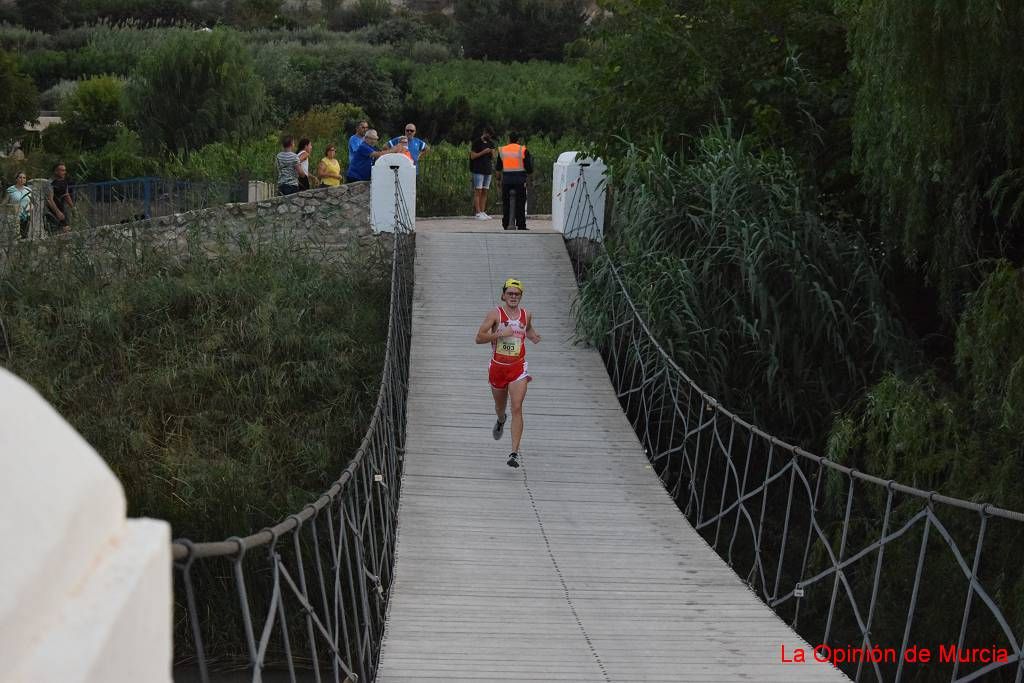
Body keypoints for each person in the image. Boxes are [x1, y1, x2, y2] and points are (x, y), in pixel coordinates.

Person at [474, 278, 541, 468]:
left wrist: (534, 337)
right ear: (503, 295)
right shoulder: (496, 314)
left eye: (517, 294)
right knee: (500, 407)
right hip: (497, 368)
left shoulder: (526, 314)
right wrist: (498, 335)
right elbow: (479, 338)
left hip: (518, 368)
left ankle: (513, 453)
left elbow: (527, 329)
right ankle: (501, 420)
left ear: (521, 296)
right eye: (510, 293)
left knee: (517, 407)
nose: (513, 297)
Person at [495, 132, 534, 230]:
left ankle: (506, 224)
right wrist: (529, 179)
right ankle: (521, 225)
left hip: (507, 180)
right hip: (520, 180)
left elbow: (498, 168)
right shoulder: (523, 150)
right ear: (518, 140)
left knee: (506, 203)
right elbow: (529, 168)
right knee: (520, 204)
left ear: (508, 139)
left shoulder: (502, 150)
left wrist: (498, 180)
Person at [469, 126, 496, 220]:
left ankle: (483, 211)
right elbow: (472, 156)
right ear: (484, 132)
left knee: (485, 191)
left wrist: (492, 153)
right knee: (478, 191)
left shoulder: (491, 143)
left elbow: (493, 156)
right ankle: (477, 212)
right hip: (478, 170)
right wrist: (483, 152)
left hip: (488, 170)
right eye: (488, 134)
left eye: (490, 135)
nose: (489, 136)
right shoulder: (476, 142)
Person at [45, 162, 73, 233]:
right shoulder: (50, 183)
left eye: (65, 170)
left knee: (67, 230)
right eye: (62, 170)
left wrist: (73, 208)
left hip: (62, 210)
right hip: (52, 211)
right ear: (56, 171)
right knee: (56, 232)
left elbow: (66, 195)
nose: (64, 172)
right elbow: (49, 200)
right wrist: (57, 212)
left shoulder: (64, 181)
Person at [6, 171, 31, 240]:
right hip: (14, 216)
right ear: (16, 179)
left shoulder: (28, 190)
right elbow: (5, 203)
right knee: (15, 237)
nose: (22, 179)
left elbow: (31, 202)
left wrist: (31, 208)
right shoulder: (10, 190)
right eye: (20, 177)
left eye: (24, 178)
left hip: (26, 216)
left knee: (25, 236)